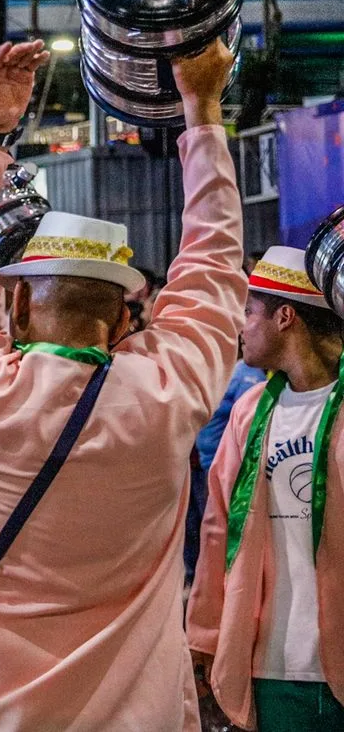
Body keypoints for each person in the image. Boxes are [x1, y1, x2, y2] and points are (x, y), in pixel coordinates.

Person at [0, 38, 244, 730]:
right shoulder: (167, 394)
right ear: (123, 316)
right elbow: (214, 261)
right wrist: (202, 110)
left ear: (20, 304)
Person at [188, 245, 344, 729]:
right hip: (270, 663)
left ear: (284, 317)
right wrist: (205, 635)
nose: (242, 326)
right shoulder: (250, 411)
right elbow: (217, 529)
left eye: (249, 311)